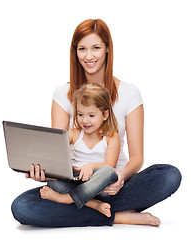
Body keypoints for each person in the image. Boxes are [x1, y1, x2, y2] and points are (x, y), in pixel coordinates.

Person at [11, 19, 181, 228]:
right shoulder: (61, 94)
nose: (89, 56)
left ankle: (86, 207)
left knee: (169, 175)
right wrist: (43, 172)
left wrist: (120, 177)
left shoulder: (129, 93)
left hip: (115, 185)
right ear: (75, 52)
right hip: (74, 183)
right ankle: (115, 215)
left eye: (96, 48)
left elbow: (137, 158)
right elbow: (56, 154)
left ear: (107, 49)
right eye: (82, 49)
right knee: (22, 206)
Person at [40, 83, 120, 217]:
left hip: (98, 185)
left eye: (91, 115)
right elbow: (54, 153)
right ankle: (93, 204)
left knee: (110, 173)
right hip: (75, 182)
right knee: (54, 184)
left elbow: (110, 165)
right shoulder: (73, 134)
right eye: (80, 114)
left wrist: (91, 167)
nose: (85, 120)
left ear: (105, 115)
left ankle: (64, 199)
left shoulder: (111, 136)